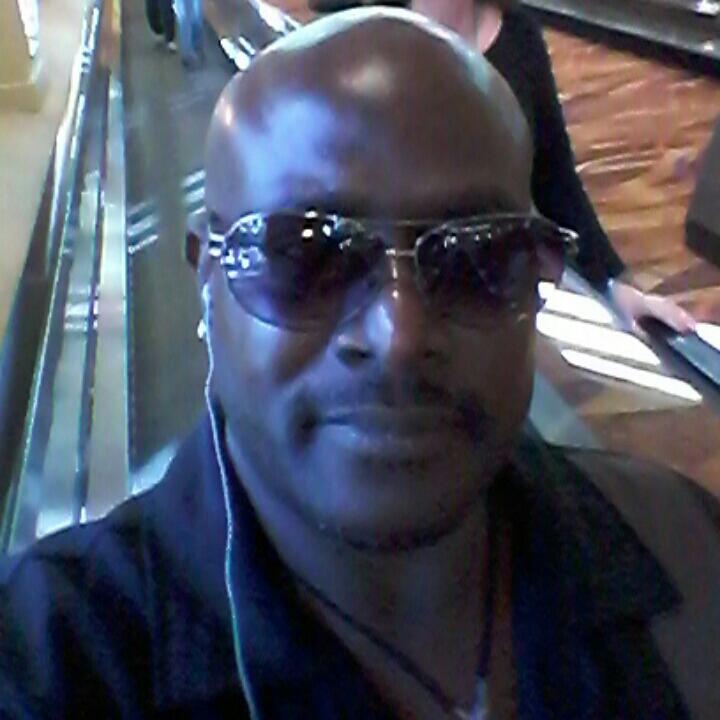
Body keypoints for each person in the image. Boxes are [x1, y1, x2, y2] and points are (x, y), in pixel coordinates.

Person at [2, 9, 719, 719]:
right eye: (304, 256)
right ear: (207, 280)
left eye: (477, 255)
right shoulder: (53, 660)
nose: (399, 335)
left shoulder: (689, 554)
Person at [311, 0, 697, 339]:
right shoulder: (369, 33)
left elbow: (555, 180)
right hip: (394, 297)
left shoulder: (519, 37)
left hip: (490, 295)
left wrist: (613, 283)